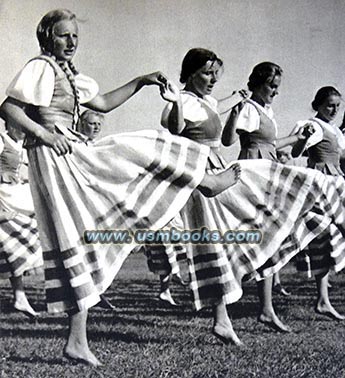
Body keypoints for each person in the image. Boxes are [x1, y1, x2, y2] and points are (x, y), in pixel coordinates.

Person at [0, 10, 240, 366]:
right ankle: (203, 180)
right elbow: (8, 108)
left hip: (65, 151)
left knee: (81, 238)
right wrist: (45, 134)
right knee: (135, 148)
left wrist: (141, 81)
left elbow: (103, 103)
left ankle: (76, 342)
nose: (71, 43)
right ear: (48, 36)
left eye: (76, 37)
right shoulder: (40, 67)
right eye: (64, 36)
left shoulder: (69, 75)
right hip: (54, 156)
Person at [291, 86, 345, 320]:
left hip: (336, 181)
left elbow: (340, 156)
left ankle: (323, 299)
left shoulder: (333, 129)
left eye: (337, 106)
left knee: (328, 239)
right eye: (329, 105)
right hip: (321, 183)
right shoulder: (314, 126)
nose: (333, 110)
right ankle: (322, 299)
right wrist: (304, 140)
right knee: (325, 237)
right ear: (318, 104)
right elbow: (296, 151)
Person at [0, 121, 42, 318]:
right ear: (9, 124)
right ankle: (19, 296)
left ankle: (20, 296)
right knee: (12, 244)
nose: (21, 128)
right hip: (5, 197)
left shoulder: (24, 144)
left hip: (23, 198)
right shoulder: (2, 140)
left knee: (19, 246)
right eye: (18, 124)